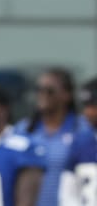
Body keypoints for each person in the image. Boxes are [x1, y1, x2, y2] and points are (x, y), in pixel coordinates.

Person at [14, 67, 91, 206]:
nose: (42, 95)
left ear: (66, 95)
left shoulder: (82, 128)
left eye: (49, 90)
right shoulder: (23, 130)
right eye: (39, 90)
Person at [59, 78, 97, 206]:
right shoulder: (81, 143)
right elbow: (68, 190)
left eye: (93, 105)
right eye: (86, 106)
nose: (88, 112)